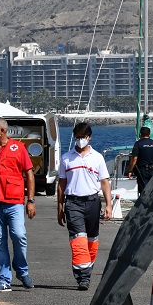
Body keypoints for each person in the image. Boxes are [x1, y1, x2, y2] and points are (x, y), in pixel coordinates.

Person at [0, 117, 36, 292]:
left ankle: (22, 270)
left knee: (19, 236)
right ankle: (4, 278)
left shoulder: (19, 149)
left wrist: (30, 200)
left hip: (14, 203)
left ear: (2, 130)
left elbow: (29, 174)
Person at [57, 122, 113, 291]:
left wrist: (109, 205)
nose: (80, 140)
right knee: (78, 240)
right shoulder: (67, 158)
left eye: (83, 137)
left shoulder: (97, 158)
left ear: (89, 137)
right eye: (78, 137)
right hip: (73, 203)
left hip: (92, 202)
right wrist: (60, 206)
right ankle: (83, 278)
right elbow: (61, 183)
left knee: (91, 241)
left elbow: (104, 183)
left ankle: (86, 269)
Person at [127, 126, 153, 196]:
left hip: (143, 170)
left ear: (140, 134)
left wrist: (130, 170)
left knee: (143, 190)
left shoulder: (138, 144)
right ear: (149, 134)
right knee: (152, 189)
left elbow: (134, 158)